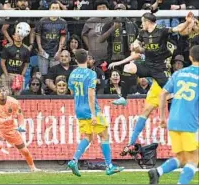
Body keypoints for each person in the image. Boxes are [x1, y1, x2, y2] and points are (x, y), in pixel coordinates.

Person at [108, 12, 194, 154]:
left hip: (163, 77)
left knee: (176, 112)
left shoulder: (167, 41)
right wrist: (133, 49)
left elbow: (180, 30)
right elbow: (138, 51)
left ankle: (186, 146)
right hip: (155, 81)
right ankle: (130, 143)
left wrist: (188, 23)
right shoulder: (146, 36)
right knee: (146, 111)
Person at [67, 49, 124, 177]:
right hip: (90, 110)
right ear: (87, 59)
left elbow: (72, 92)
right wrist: (93, 114)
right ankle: (109, 166)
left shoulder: (72, 74)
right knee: (104, 136)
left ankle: (74, 160)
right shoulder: (91, 74)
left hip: (79, 109)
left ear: (75, 60)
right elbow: (91, 94)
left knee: (88, 136)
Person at [148, 45, 199, 184]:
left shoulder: (178, 73)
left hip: (174, 121)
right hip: (190, 122)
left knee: (182, 158)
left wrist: (163, 117)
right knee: (194, 160)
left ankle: (157, 172)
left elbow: (163, 93)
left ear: (190, 57)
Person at [0, 84, 40, 172]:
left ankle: (33, 168)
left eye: (4, 91)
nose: (2, 93)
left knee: (25, 151)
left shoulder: (14, 102)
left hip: (11, 128)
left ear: (7, 92)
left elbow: (20, 115)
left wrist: (21, 125)